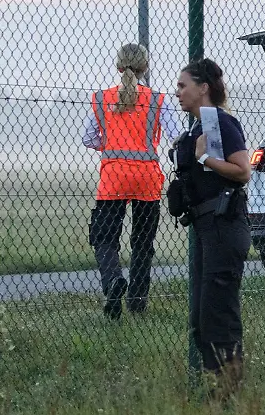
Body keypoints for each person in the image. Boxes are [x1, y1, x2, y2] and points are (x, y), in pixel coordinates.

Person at [169, 57, 251, 396]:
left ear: (203, 88)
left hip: (223, 224)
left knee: (217, 314)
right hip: (206, 227)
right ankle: (219, 388)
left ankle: (228, 391)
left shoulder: (218, 123)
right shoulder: (197, 126)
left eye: (182, 85)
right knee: (202, 317)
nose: (177, 92)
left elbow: (242, 171)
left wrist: (205, 159)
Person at [84, 43, 181, 319]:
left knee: (104, 238)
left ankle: (113, 281)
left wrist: (111, 144)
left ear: (118, 67)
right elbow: (176, 136)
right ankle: (137, 303)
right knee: (142, 242)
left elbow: (88, 138)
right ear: (144, 68)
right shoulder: (158, 100)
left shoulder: (103, 98)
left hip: (113, 178)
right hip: (147, 179)